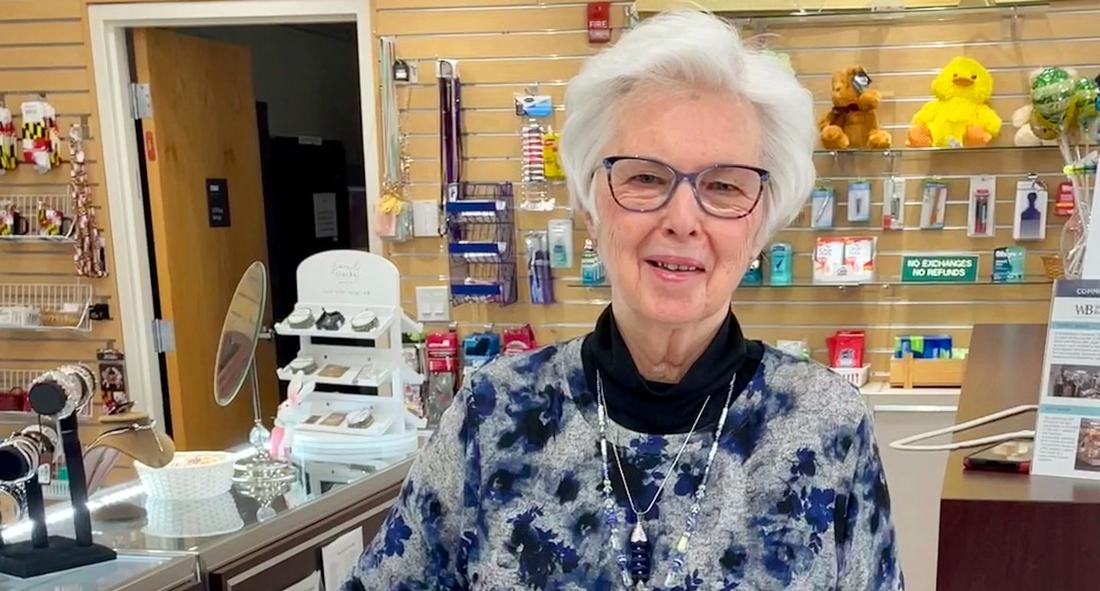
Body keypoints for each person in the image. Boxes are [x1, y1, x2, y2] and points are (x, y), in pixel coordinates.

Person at [343, 11, 902, 590]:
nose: (683, 220)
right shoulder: (493, 413)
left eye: (724, 185)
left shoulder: (825, 425)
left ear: (762, 222)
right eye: (645, 178)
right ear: (589, 205)